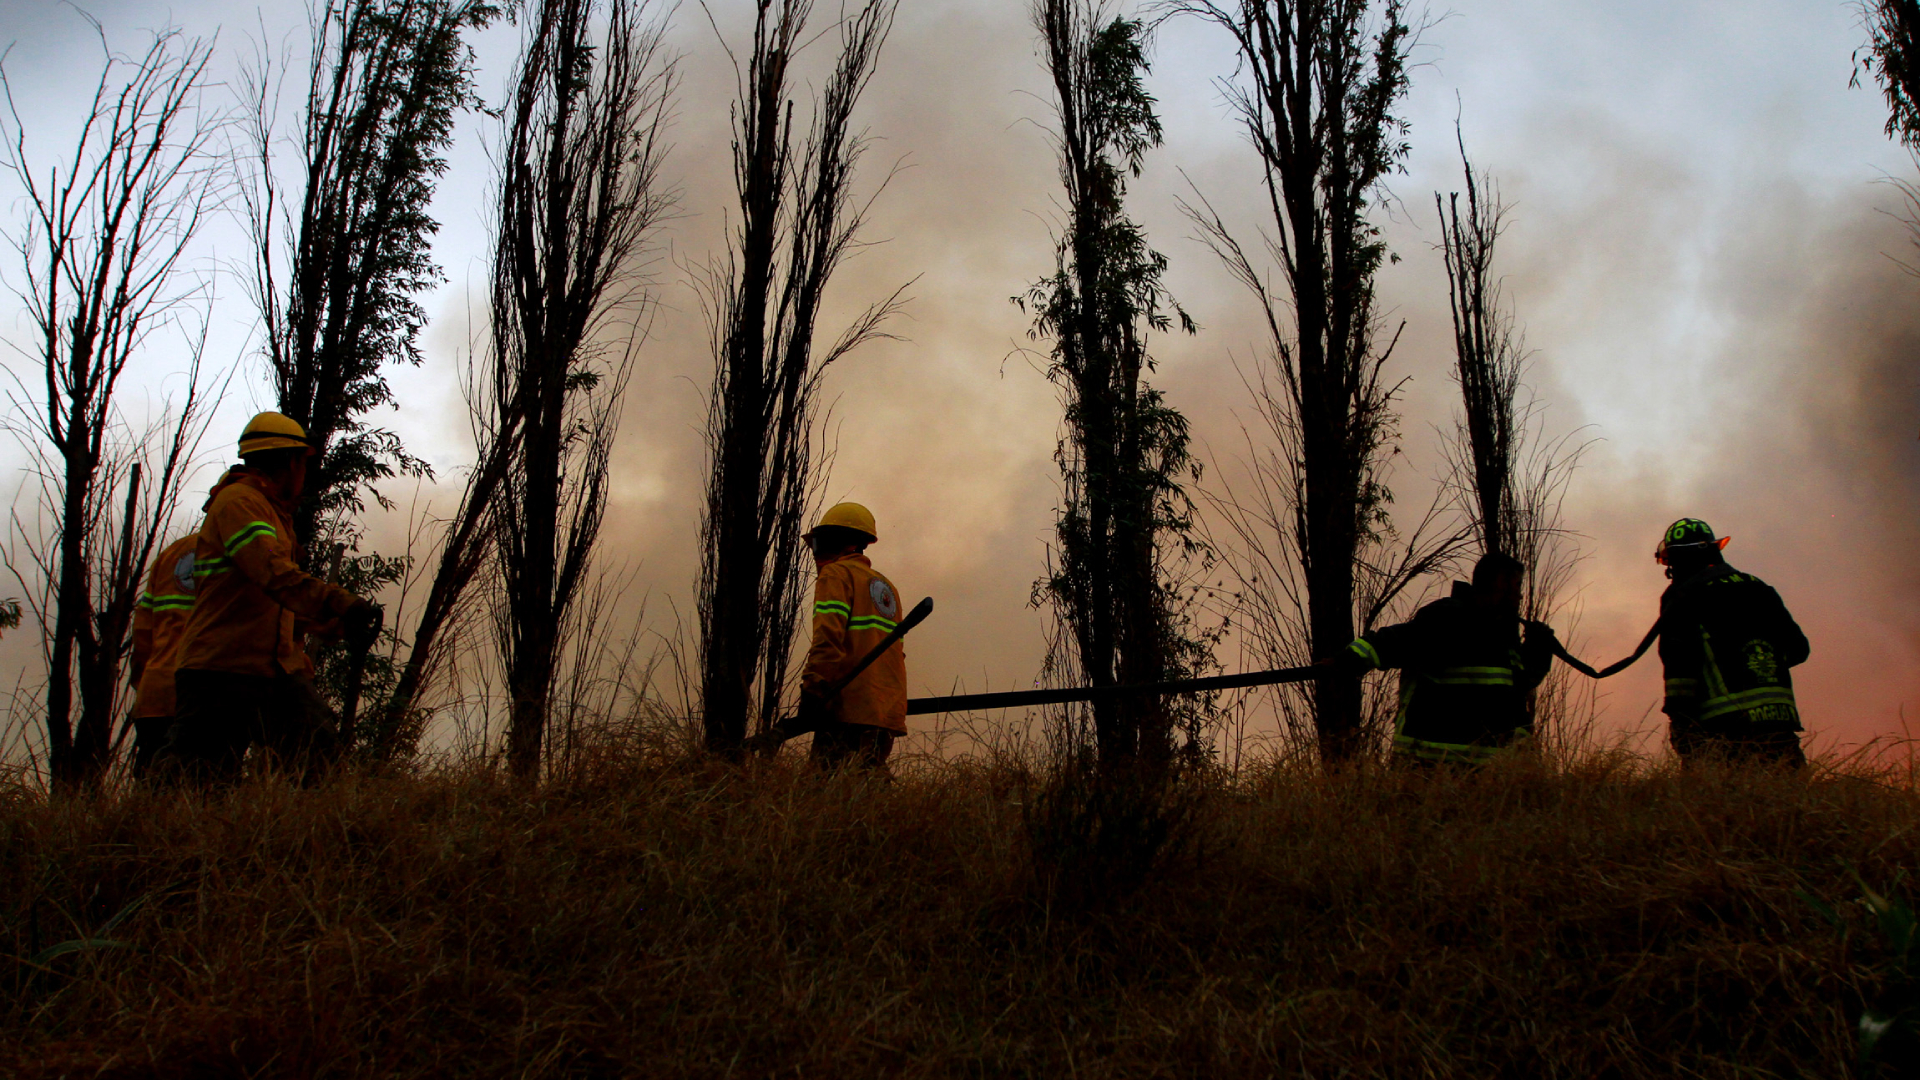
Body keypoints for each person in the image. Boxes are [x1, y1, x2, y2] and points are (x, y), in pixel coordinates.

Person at [158, 412, 381, 786]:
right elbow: (272, 573)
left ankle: (314, 840)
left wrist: (317, 625)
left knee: (319, 754)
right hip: (220, 672)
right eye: (303, 464)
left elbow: (261, 598)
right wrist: (338, 601)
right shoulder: (239, 503)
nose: (304, 474)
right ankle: (147, 838)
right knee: (194, 784)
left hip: (269, 671)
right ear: (291, 461)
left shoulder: (269, 511)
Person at [1334, 551, 1559, 766]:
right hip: (1429, 772)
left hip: (1487, 778)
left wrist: (1538, 650)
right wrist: (1350, 659)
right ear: (1500, 583)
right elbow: (1395, 640)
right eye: (1517, 585)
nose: (1520, 595)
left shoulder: (1502, 634)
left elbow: (1515, 691)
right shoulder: (1450, 618)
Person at [754, 503, 908, 769]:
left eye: (819, 543)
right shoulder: (886, 587)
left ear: (840, 541)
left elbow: (828, 638)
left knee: (823, 794)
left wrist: (814, 689)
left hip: (847, 710)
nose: (816, 553)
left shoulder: (836, 575)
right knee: (866, 797)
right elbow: (896, 654)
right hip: (885, 713)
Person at [1652, 517, 1808, 767]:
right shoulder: (1759, 588)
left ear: (1677, 560)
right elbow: (1799, 650)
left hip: (1723, 732)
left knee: (1718, 803)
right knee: (1790, 803)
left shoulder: (1681, 597)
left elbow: (1679, 664)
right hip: (1779, 726)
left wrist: (1681, 724)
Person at [126, 532, 199, 779]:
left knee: (151, 785)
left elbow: (143, 631)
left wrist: (142, 681)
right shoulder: (242, 551)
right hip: (205, 695)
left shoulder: (171, 553)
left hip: (156, 693)